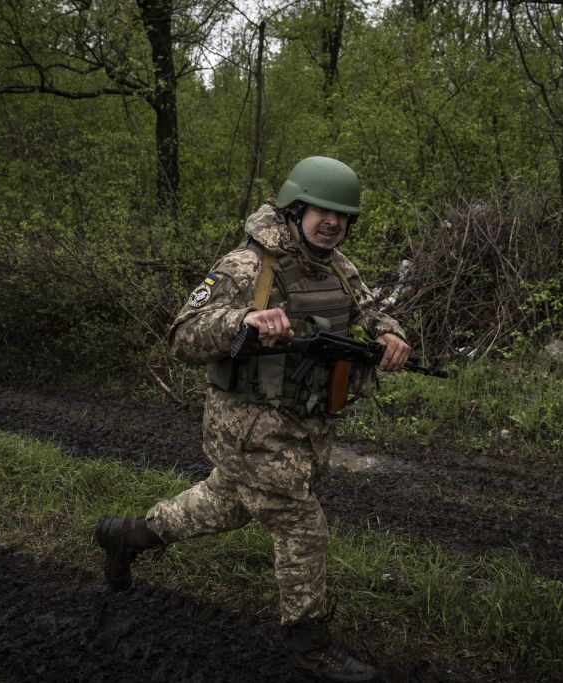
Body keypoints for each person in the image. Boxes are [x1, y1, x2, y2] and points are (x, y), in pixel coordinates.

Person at [95, 156, 410, 682]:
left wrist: (390, 333)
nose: (332, 222)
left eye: (342, 215)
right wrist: (242, 319)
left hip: (303, 426)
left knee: (221, 506)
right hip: (249, 428)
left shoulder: (338, 267)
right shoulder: (246, 266)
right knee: (301, 526)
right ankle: (309, 648)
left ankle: (124, 537)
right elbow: (183, 334)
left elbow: (370, 309)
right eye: (322, 210)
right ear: (296, 208)